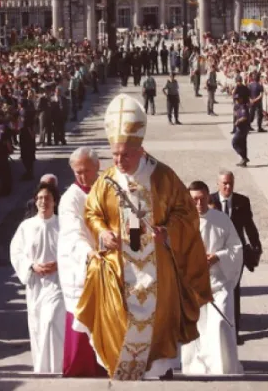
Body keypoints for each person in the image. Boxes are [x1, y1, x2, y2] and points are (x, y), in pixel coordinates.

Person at [74, 93, 212, 380]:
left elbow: (185, 213)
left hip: (157, 269)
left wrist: (168, 231)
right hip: (118, 269)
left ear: (140, 149)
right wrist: (103, 233)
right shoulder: (107, 181)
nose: (120, 160)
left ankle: (160, 372)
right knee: (118, 323)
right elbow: (93, 213)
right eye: (115, 154)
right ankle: (123, 371)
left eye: (125, 154)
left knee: (159, 322)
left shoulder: (162, 177)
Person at [182, 181, 243, 375]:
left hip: (219, 282)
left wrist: (217, 256)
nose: (199, 204)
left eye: (202, 198)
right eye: (194, 200)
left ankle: (223, 366)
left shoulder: (222, 219)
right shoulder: (183, 222)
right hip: (194, 286)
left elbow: (236, 248)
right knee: (198, 328)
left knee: (220, 324)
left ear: (209, 197)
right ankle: (197, 365)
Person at [57, 147, 106, 377]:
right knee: (83, 316)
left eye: (86, 171)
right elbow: (73, 232)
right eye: (77, 172)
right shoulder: (71, 198)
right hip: (83, 264)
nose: (82, 176)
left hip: (110, 261)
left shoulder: (108, 188)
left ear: (97, 167)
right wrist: (88, 253)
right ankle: (82, 367)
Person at [10, 183, 66, 373]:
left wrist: (58, 264)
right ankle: (42, 369)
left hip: (58, 281)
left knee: (52, 321)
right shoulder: (27, 226)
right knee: (39, 325)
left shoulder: (63, 224)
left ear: (55, 201)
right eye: (40, 198)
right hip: (36, 284)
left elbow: (73, 249)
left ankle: (58, 367)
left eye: (47, 198)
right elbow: (16, 252)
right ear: (35, 201)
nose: (43, 202)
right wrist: (32, 266)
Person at [210, 171, 262, 344]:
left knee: (234, 290)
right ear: (218, 184)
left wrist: (256, 246)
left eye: (230, 183)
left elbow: (249, 226)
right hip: (214, 254)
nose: (228, 187)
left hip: (234, 254)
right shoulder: (209, 201)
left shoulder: (242, 201)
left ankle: (235, 331)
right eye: (224, 183)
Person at [232, 94, 250, 167]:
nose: (236, 100)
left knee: (234, 142)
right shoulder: (237, 106)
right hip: (238, 128)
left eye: (238, 99)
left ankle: (244, 157)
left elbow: (245, 117)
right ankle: (243, 160)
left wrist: (238, 121)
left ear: (241, 99)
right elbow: (235, 114)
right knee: (242, 144)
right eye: (235, 99)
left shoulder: (243, 107)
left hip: (243, 128)